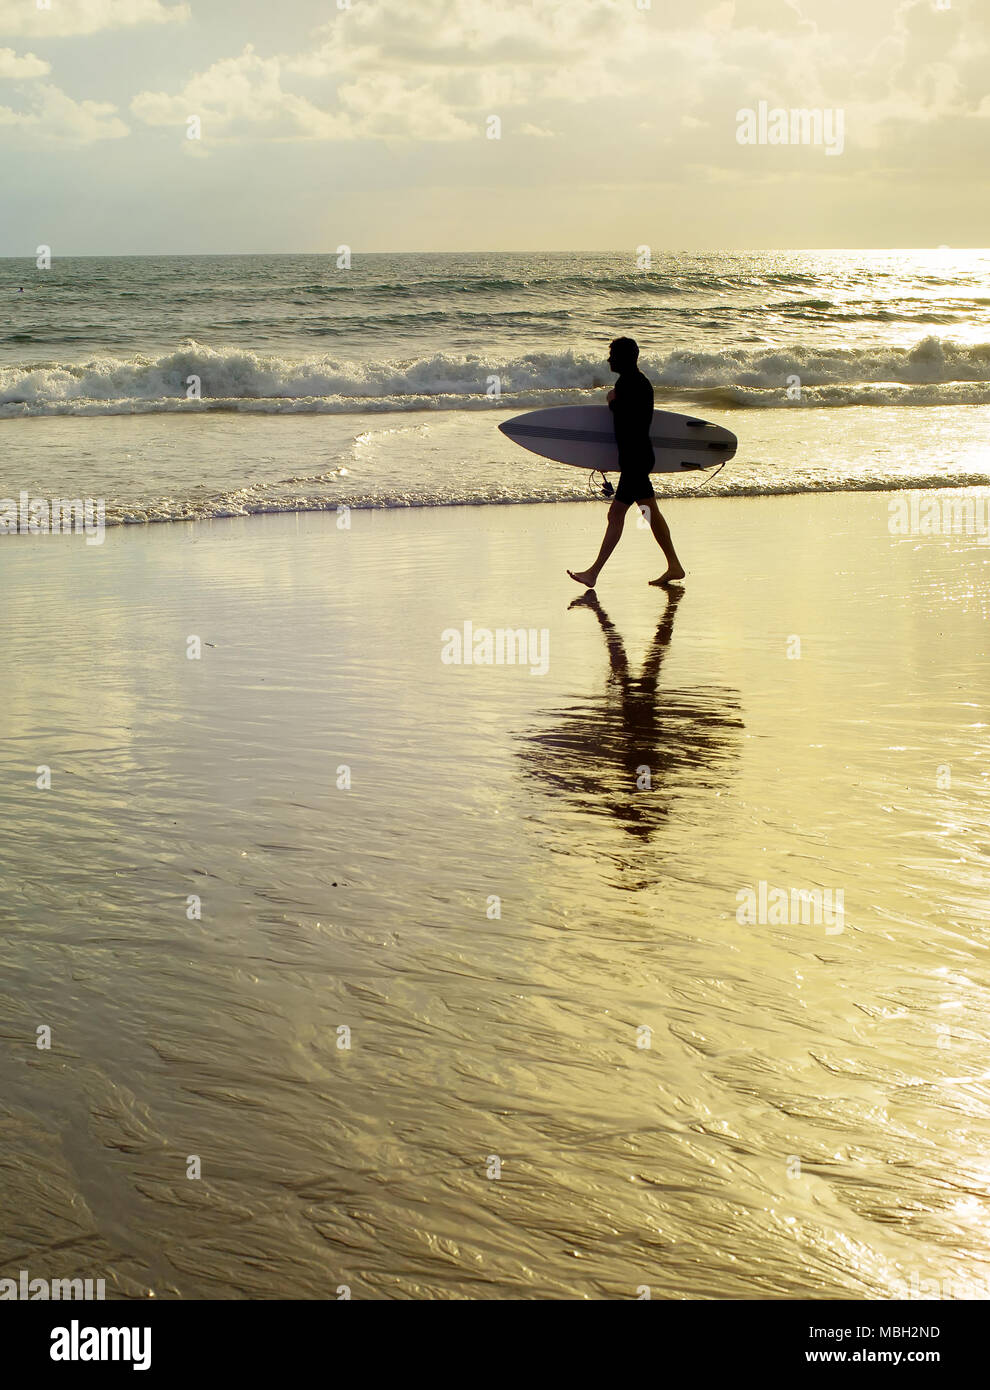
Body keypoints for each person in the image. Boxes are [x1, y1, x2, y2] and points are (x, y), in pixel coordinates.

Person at [567, 337, 685, 589]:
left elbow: (627, 419)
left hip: (636, 459)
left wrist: (612, 401)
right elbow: (628, 426)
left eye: (612, 355)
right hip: (637, 457)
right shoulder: (635, 381)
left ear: (624, 357)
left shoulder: (631, 383)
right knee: (649, 512)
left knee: (616, 513)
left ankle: (593, 573)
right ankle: (674, 565)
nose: (609, 359)